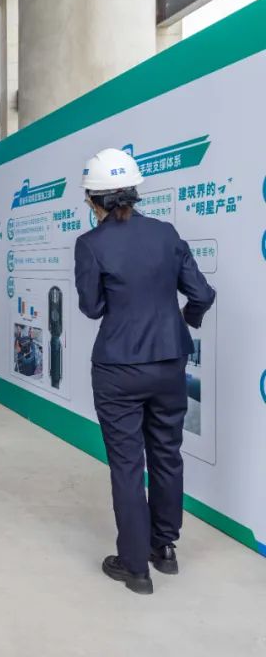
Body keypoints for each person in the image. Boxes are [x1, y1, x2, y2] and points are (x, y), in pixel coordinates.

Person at [73, 147, 215, 595]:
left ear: (93, 199)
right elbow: (202, 294)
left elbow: (92, 307)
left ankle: (135, 568)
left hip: (118, 368)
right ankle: (164, 548)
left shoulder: (91, 244)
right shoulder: (165, 233)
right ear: (134, 192)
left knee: (128, 465)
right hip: (170, 362)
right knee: (167, 454)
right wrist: (184, 320)